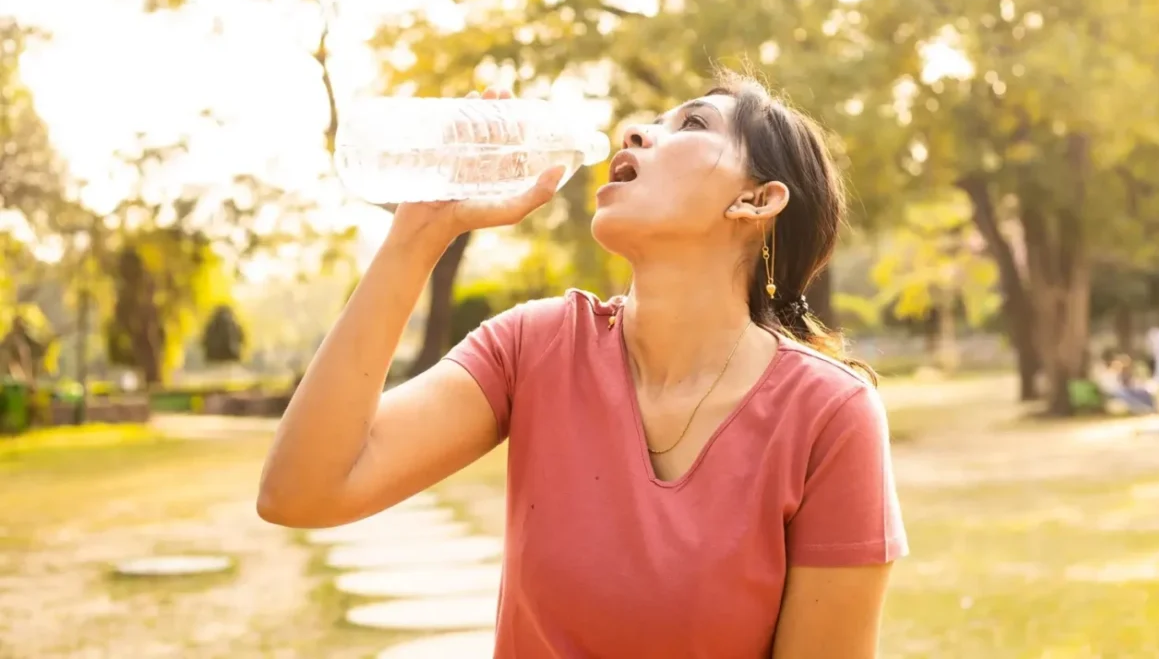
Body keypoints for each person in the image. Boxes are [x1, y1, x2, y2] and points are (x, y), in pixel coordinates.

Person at [258, 73, 908, 658]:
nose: (633, 130)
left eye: (691, 123)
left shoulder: (829, 415)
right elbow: (303, 490)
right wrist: (419, 233)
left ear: (756, 201)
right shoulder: (535, 346)